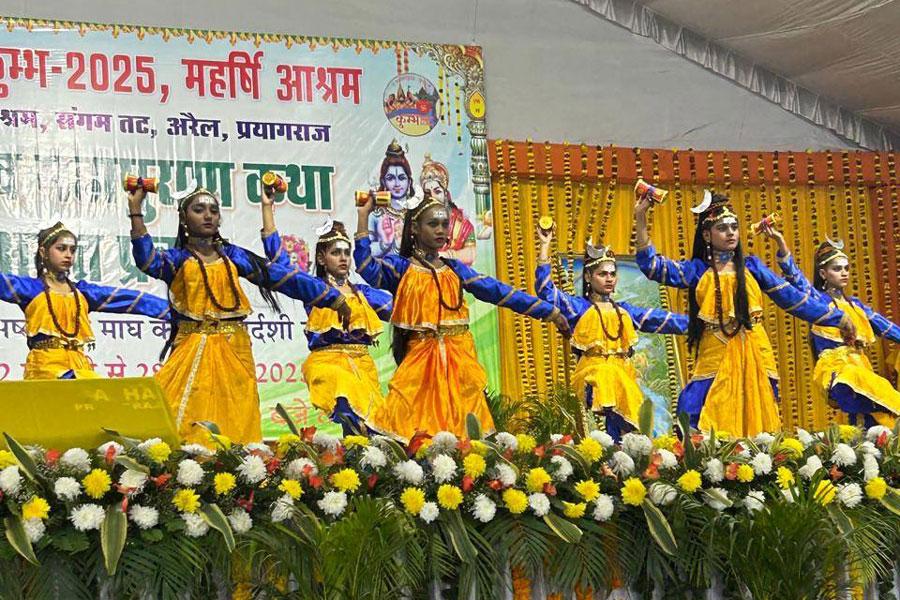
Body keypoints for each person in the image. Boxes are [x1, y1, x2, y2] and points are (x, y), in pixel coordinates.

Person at [128, 182, 349, 444]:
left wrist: (332, 298)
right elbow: (148, 261)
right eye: (199, 210)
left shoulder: (233, 255)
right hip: (192, 351)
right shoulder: (177, 260)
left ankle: (235, 477)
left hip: (235, 350)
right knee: (186, 418)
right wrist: (136, 211)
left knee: (237, 417)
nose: (208, 215)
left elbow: (280, 277)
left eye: (213, 210)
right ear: (184, 219)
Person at [633, 190, 855, 437]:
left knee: (758, 410)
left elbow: (794, 299)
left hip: (755, 349)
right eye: (722, 228)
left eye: (734, 227)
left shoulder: (752, 267)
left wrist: (839, 318)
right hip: (715, 349)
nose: (731, 233)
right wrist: (640, 217)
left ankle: (755, 469)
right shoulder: (696, 270)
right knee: (694, 410)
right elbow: (652, 266)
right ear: (707, 235)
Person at [354, 190, 569, 440]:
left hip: (460, 359)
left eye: (445, 224)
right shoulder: (401, 268)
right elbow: (365, 267)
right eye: (433, 224)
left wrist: (549, 311)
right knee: (410, 428)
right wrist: (362, 216)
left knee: (464, 432)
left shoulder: (455, 270)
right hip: (420, 361)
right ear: (414, 228)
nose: (441, 230)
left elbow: (500, 292)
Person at [535, 224, 688, 440]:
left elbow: (660, 319)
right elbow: (545, 292)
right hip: (593, 377)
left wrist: (698, 324)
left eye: (612, 274)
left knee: (627, 425)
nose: (609, 279)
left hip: (622, 380)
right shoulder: (578, 308)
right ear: (588, 278)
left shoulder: (624, 311)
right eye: (602, 274)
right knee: (610, 375)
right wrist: (544, 247)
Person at [260, 189, 392, 435]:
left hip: (363, 367)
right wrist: (267, 208)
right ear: (321, 258)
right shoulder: (316, 289)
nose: (343, 258)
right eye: (335, 253)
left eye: (346, 253)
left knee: (373, 428)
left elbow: (403, 308)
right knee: (343, 389)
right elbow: (279, 263)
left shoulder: (364, 294)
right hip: (326, 364)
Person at [765, 229, 900, 428]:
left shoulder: (856, 306)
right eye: (837, 268)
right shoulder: (818, 301)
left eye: (846, 268)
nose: (844, 272)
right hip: (837, 369)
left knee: (874, 420)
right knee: (865, 384)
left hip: (861, 367)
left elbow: (887, 328)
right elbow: (795, 277)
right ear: (823, 274)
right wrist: (781, 244)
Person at [0, 222, 169, 379]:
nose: (68, 255)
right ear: (43, 252)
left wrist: (172, 311)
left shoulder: (82, 292)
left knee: (99, 395)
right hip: (45, 367)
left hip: (79, 365)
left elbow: (129, 299)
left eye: (72, 250)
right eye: (61, 248)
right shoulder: (30, 289)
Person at [420, 153, 476, 265]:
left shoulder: (462, 225)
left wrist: (446, 256)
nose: (432, 197)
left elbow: (471, 254)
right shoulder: (416, 224)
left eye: (437, 191)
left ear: (445, 193)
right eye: (427, 193)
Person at [368, 140, 414, 258]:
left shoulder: (416, 213)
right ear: (383, 181)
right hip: (385, 274)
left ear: (409, 181)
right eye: (391, 178)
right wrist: (386, 244)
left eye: (402, 178)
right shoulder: (376, 215)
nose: (397, 184)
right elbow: (366, 253)